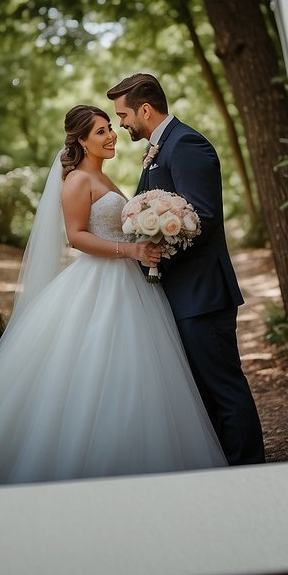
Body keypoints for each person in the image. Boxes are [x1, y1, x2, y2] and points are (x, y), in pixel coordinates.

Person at [0, 105, 227, 488]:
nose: (111, 136)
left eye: (110, 128)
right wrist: (133, 251)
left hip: (132, 284)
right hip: (101, 282)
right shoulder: (76, 182)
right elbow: (77, 237)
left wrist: (151, 236)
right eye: (101, 131)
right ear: (81, 141)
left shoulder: (103, 179)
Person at [108, 73, 265, 465]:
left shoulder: (187, 144)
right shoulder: (161, 147)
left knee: (223, 388)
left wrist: (155, 246)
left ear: (145, 109)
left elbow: (203, 216)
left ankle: (250, 471)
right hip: (181, 293)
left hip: (201, 292)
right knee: (202, 391)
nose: (122, 123)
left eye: (123, 115)